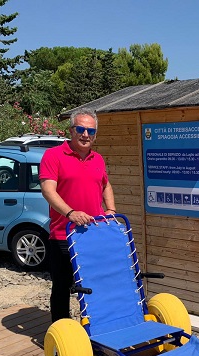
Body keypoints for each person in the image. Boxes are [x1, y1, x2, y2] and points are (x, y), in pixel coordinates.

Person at [40, 108, 116, 323]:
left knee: (96, 283)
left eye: (90, 131)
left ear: (95, 134)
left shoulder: (98, 158)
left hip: (94, 234)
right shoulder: (53, 156)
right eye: (80, 129)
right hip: (64, 235)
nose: (85, 135)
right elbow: (48, 190)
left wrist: (110, 210)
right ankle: (61, 331)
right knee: (62, 287)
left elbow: (106, 185)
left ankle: (95, 325)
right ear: (71, 130)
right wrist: (70, 213)